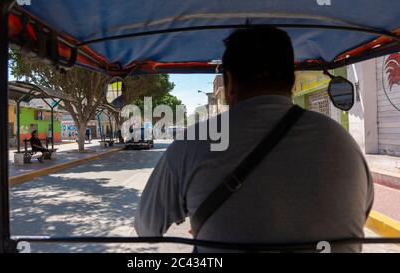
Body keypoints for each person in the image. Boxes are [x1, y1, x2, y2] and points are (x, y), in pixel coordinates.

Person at [134, 26, 374, 252]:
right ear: (292, 81)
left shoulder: (192, 143)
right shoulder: (343, 142)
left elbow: (146, 228)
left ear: (229, 84)